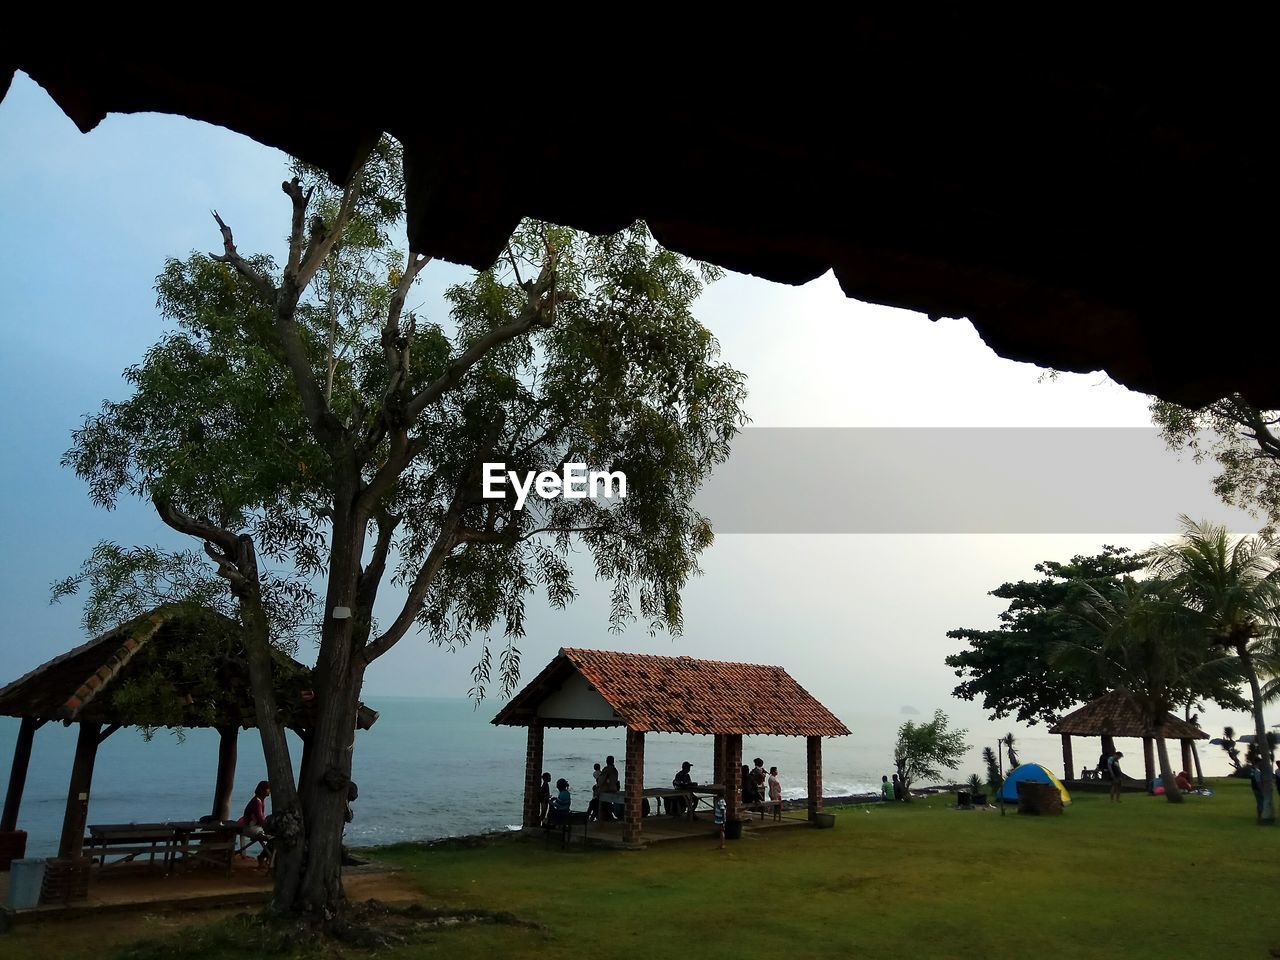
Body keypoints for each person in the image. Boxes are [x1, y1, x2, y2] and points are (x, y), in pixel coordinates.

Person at [237, 780, 271, 866]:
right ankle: (263, 857)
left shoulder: (259, 800)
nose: (269, 791)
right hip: (249, 827)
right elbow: (260, 819)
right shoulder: (257, 802)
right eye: (268, 789)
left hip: (252, 826)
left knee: (270, 837)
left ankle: (263, 856)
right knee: (269, 838)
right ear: (263, 790)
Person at [599, 756, 620, 821]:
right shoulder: (615, 770)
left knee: (602, 803)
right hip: (613, 789)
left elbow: (601, 781)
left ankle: (603, 817)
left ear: (606, 761)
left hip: (606, 789)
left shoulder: (606, 769)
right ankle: (609, 816)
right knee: (608, 804)